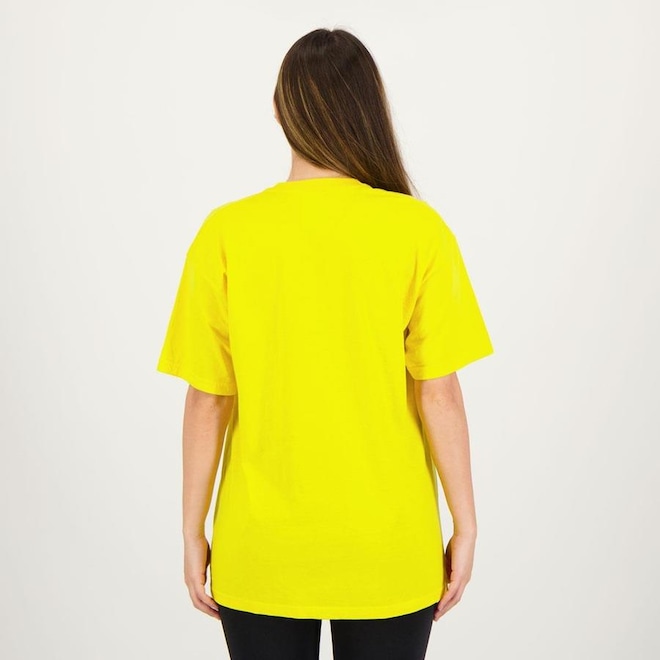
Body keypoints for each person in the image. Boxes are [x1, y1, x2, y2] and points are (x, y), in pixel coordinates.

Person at [156, 27, 494, 660]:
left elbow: (208, 399)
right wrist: (466, 523)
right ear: (370, 109)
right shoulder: (418, 230)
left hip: (261, 548)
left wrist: (192, 529)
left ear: (279, 109)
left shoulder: (226, 233)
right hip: (388, 548)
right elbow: (440, 392)